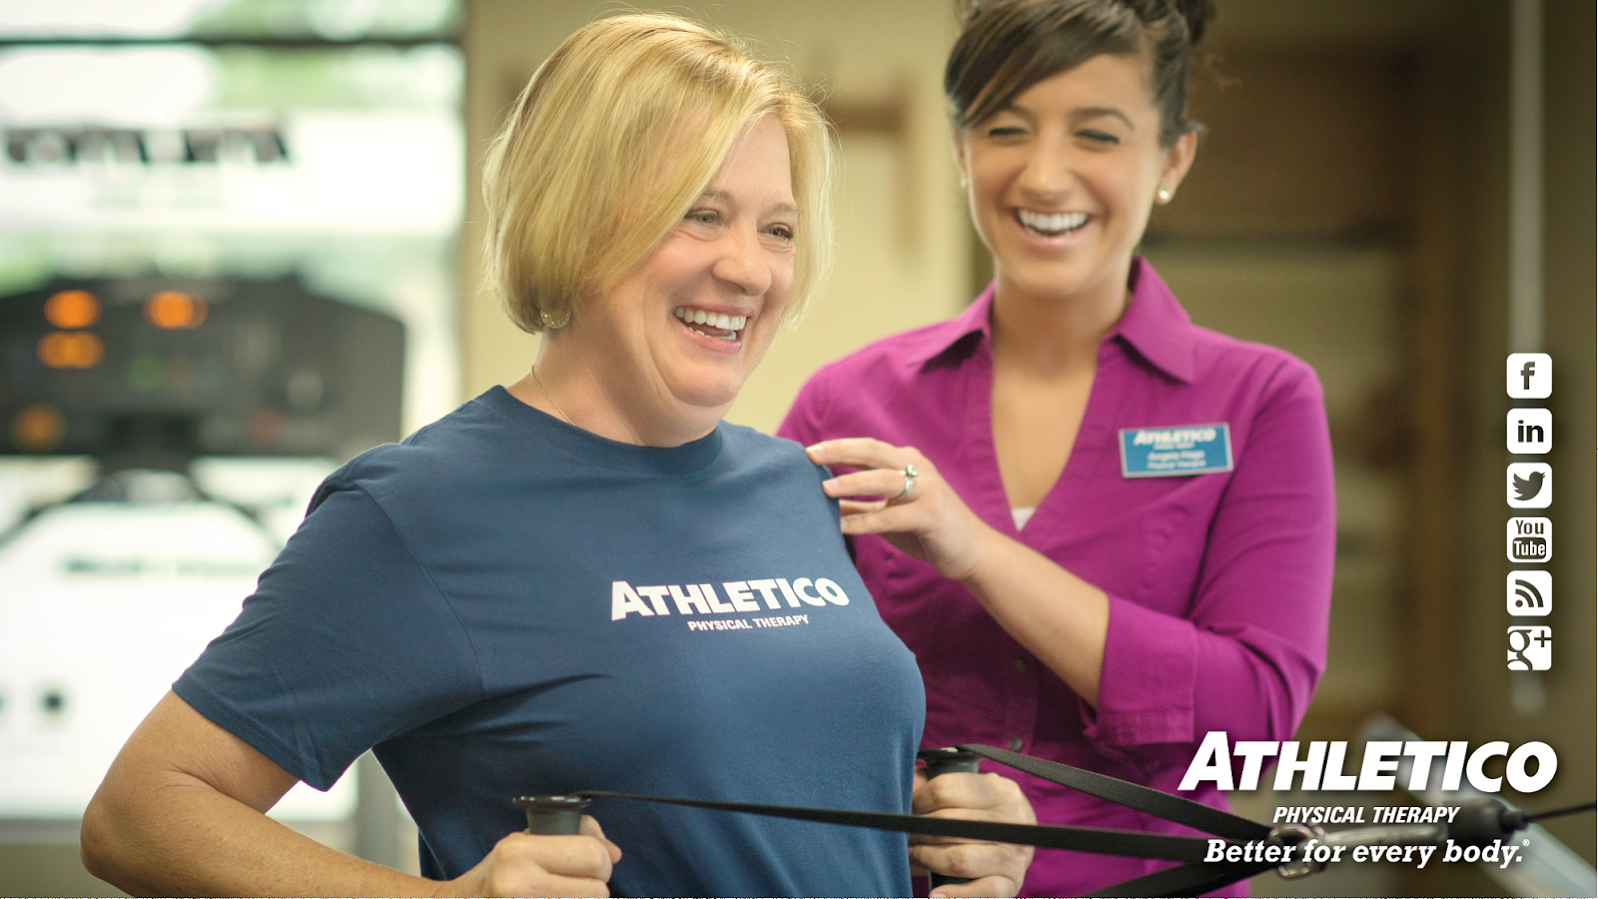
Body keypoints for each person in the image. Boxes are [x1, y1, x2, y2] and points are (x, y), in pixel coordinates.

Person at [80, 14, 1034, 898]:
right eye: (700, 214)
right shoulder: (420, 511)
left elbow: (765, 793)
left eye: (776, 229)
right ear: (578, 218)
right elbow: (142, 810)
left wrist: (939, 831)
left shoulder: (795, 485)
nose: (750, 268)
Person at [777, 0, 1335, 895]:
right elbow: (774, 693)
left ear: (1173, 159)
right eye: (1006, 128)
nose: (1043, 176)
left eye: (1097, 135)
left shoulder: (1263, 400)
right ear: (961, 148)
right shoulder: (845, 404)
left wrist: (977, 552)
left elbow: (1255, 720)